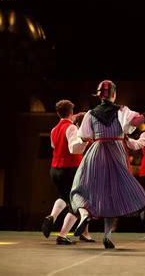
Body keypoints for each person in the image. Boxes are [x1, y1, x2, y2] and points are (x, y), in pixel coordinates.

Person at [70, 80, 145, 249]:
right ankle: (107, 236)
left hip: (96, 151)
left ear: (99, 95)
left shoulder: (91, 113)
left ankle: (83, 215)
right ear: (114, 94)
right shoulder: (122, 110)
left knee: (80, 188)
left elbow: (84, 136)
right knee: (113, 196)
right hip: (115, 152)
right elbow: (136, 122)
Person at [42, 100, 93, 245]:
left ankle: (52, 216)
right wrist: (84, 139)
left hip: (55, 170)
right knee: (77, 203)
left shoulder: (53, 129)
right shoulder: (71, 128)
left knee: (63, 196)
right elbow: (74, 148)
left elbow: (54, 146)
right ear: (71, 112)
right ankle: (63, 234)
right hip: (70, 169)